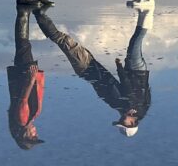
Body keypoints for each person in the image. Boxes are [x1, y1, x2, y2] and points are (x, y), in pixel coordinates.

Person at [35, 9, 151, 137]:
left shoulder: (120, 105)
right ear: (133, 123)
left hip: (86, 67)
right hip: (89, 67)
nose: (121, 119)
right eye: (123, 122)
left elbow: (108, 87)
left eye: (119, 121)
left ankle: (38, 14)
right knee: (62, 40)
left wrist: (118, 70)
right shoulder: (127, 105)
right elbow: (122, 86)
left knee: (62, 39)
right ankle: (39, 14)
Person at [7, 6, 45, 149]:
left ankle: (23, 10)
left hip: (25, 74)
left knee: (23, 43)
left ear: (25, 134)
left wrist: (31, 78)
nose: (36, 132)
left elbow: (23, 99)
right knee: (23, 44)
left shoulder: (23, 120)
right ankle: (24, 12)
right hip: (25, 75)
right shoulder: (28, 119)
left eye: (33, 136)